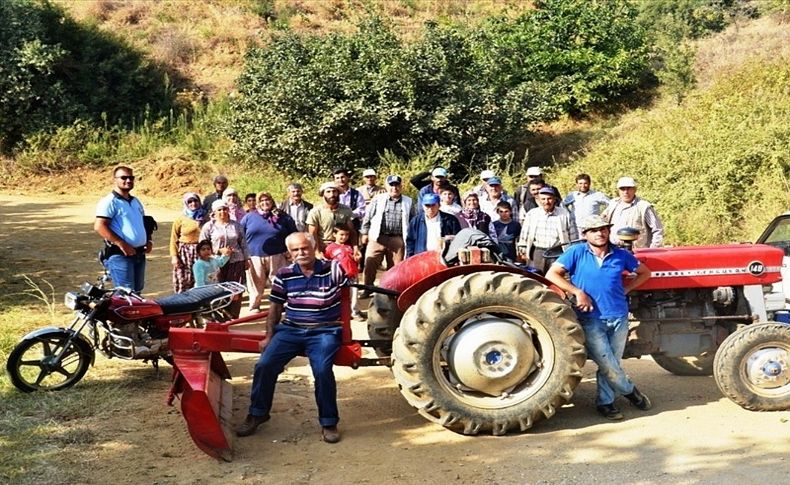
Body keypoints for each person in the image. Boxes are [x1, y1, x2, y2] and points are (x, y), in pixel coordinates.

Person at [236, 232, 347, 443]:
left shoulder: (332, 269)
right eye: (295, 250)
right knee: (265, 364)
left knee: (323, 370)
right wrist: (269, 336)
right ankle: (258, 413)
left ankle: (329, 422)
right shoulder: (284, 274)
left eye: (305, 248)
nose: (301, 253)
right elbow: (275, 307)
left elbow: (349, 286)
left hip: (324, 330)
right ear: (289, 253)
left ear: (313, 247)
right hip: (291, 330)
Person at [545, 215, 653, 420]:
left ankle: (606, 403)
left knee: (613, 362)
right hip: (590, 318)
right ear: (585, 234)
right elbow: (552, 275)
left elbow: (645, 273)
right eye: (594, 230)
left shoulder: (621, 255)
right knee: (607, 363)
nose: (600, 233)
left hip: (619, 316)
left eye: (603, 229)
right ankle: (632, 393)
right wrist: (577, 292)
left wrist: (627, 289)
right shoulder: (576, 252)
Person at [94, 166, 152, 292]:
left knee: (136, 292)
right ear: (115, 180)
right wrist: (122, 244)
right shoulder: (110, 201)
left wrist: (149, 240)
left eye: (131, 177)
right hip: (120, 255)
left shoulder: (135, 201)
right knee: (125, 293)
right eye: (124, 177)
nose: (128, 180)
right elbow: (100, 226)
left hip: (139, 254)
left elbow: (143, 222)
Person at [241, 192, 298, 313]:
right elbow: (240, 236)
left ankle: (279, 305)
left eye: (267, 200)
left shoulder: (283, 217)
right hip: (254, 255)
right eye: (261, 201)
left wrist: (291, 251)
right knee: (256, 283)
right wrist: (244, 254)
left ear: (272, 201)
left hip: (278, 254)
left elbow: (293, 233)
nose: (265, 203)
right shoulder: (249, 217)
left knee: (278, 282)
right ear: (258, 203)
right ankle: (254, 305)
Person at [360, 175, 414, 293]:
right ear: (386, 186)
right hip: (378, 236)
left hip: (397, 238)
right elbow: (368, 216)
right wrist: (364, 233)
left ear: (401, 186)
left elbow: (412, 219)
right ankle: (368, 289)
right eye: (392, 185)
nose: (394, 188)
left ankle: (391, 291)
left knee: (396, 267)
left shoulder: (408, 201)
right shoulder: (378, 199)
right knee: (370, 263)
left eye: (397, 185)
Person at [200, 199, 251, 317]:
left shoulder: (236, 225)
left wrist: (247, 259)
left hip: (236, 261)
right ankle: (217, 314)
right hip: (216, 262)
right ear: (214, 212)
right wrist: (218, 250)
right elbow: (202, 245)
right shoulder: (209, 226)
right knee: (217, 288)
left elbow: (243, 243)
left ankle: (232, 316)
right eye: (219, 210)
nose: (222, 212)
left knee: (235, 289)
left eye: (225, 209)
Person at [518, 186, 578, 273]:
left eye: (549, 199)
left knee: (555, 277)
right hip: (538, 251)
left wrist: (573, 250)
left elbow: (573, 234)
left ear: (554, 199)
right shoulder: (532, 214)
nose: (546, 202)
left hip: (556, 252)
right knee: (537, 277)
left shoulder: (564, 213)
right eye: (543, 199)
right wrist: (522, 249)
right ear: (539, 199)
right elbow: (525, 233)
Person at [603, 177, 665, 248]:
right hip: (615, 251)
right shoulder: (613, 204)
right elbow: (602, 223)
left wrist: (653, 249)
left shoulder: (644, 206)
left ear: (635, 189)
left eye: (629, 188)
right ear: (618, 191)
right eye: (622, 189)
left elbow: (658, 229)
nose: (626, 192)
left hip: (638, 251)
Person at [169, 192, 208, 293]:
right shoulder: (180, 219)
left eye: (195, 200)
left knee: (202, 278)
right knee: (185, 279)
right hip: (185, 254)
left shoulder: (206, 217)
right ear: (186, 203)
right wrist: (174, 256)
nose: (193, 203)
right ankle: (182, 303)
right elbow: (174, 239)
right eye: (190, 201)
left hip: (202, 252)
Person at [306, 182, 357, 256]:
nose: (332, 194)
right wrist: (317, 252)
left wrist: (355, 248)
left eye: (334, 191)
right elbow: (312, 234)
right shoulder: (315, 212)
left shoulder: (346, 210)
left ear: (338, 193)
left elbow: (352, 231)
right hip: (323, 248)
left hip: (342, 247)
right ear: (323, 194)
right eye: (328, 192)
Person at [325, 226, 362, 318]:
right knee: (339, 295)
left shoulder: (350, 247)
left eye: (346, 235)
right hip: (339, 277)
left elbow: (355, 259)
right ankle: (341, 313)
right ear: (334, 234)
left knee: (354, 293)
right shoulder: (330, 248)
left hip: (352, 273)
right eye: (341, 235)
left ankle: (354, 312)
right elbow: (327, 261)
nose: (344, 237)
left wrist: (358, 260)